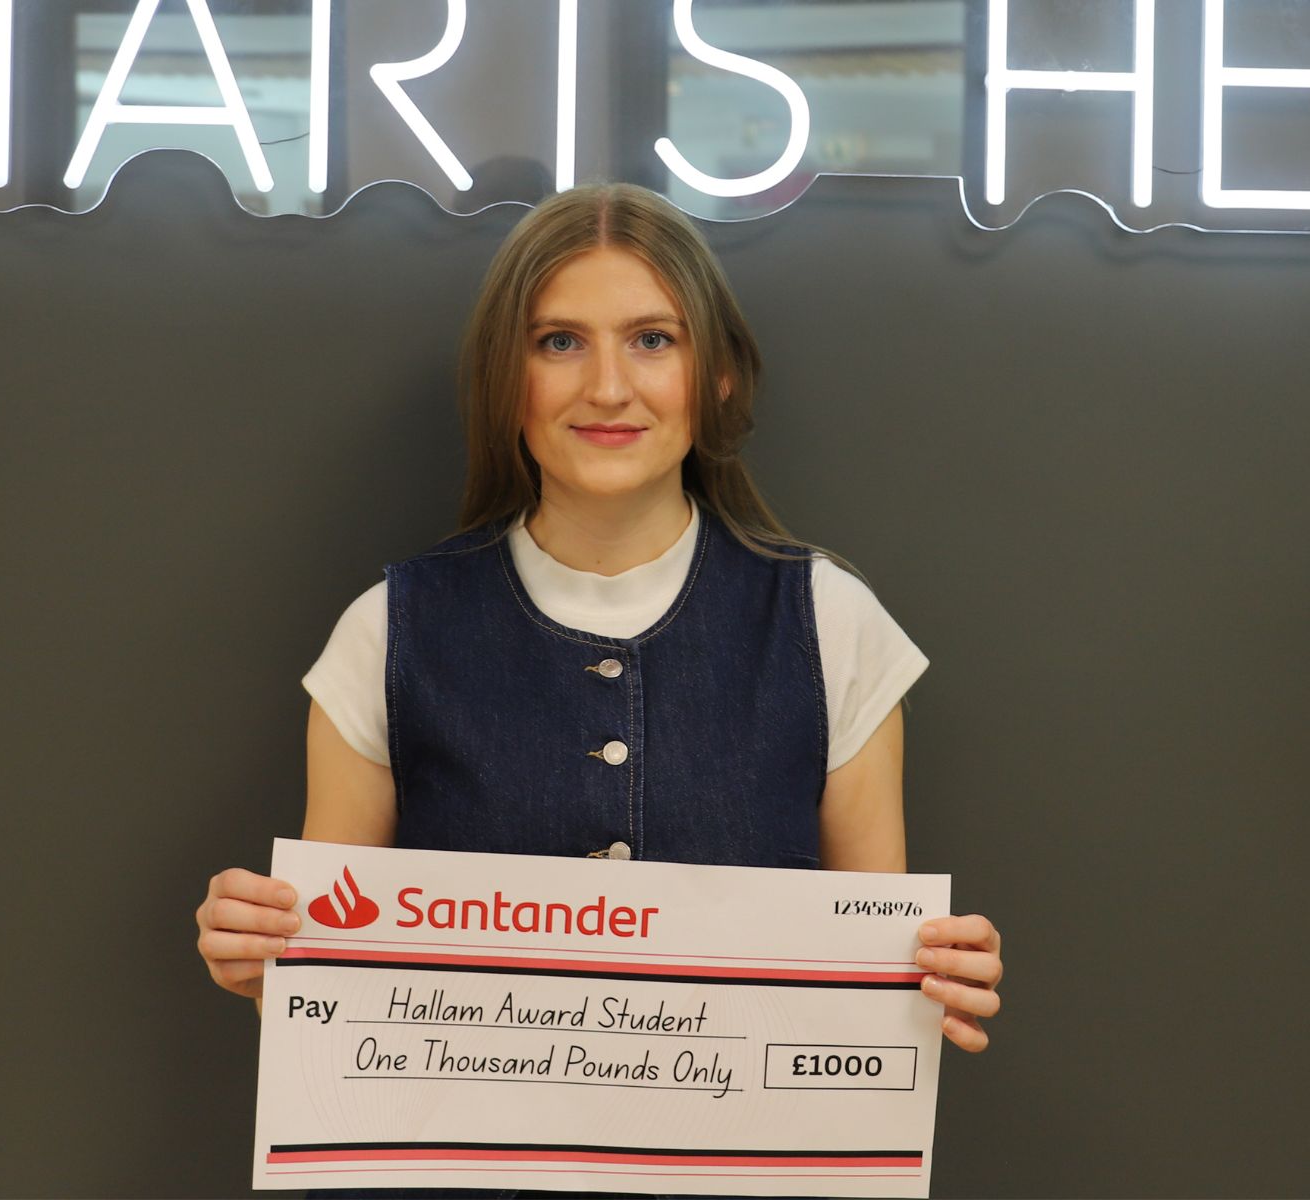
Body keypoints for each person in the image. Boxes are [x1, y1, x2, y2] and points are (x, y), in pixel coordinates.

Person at [196, 184, 1003, 1064]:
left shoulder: (833, 623)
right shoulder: (387, 631)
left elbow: (872, 983)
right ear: (506, 381)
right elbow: (331, 1003)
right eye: (559, 342)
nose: (608, 388)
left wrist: (930, 985)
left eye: (653, 340)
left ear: (718, 375)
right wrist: (268, 969)